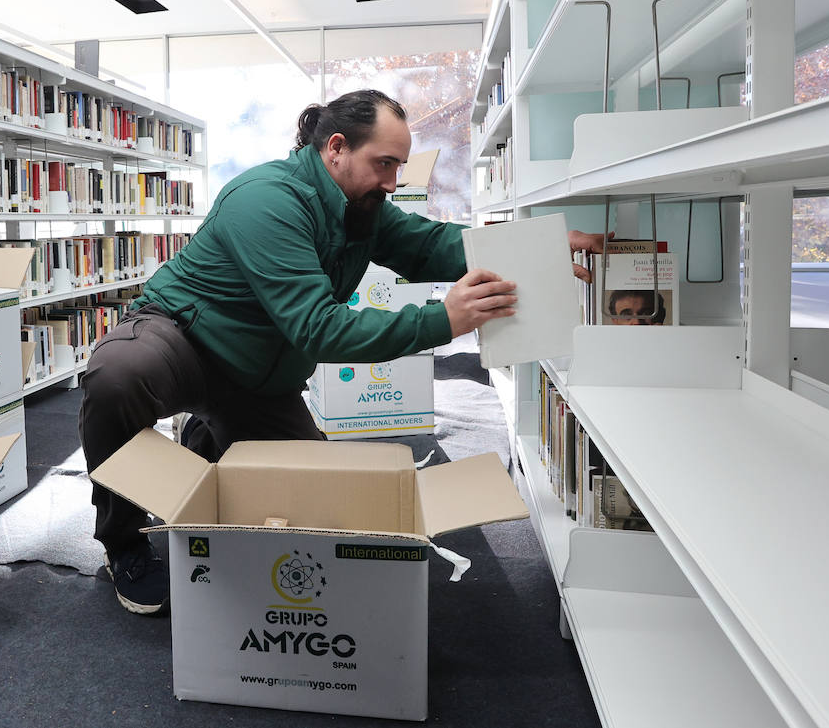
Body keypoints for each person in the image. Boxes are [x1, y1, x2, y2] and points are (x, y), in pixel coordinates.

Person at [78, 89, 605, 614]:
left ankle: (207, 432)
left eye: (398, 165)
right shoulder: (266, 199)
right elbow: (318, 329)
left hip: (259, 376)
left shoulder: (362, 206)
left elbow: (430, 245)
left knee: (315, 511)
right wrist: (443, 320)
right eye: (383, 163)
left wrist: (533, 250)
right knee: (117, 375)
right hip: (186, 339)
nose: (392, 181)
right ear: (335, 148)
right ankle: (123, 545)